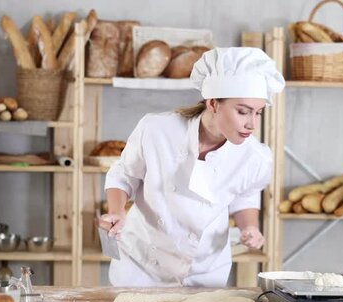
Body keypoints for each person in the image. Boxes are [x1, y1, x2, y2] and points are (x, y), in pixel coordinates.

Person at [98, 47, 285, 287]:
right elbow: (124, 176)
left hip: (205, 271)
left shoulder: (255, 156)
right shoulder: (157, 130)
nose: (252, 124)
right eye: (243, 111)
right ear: (214, 104)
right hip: (142, 264)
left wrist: (249, 227)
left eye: (258, 113)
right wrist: (117, 211)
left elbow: (245, 196)